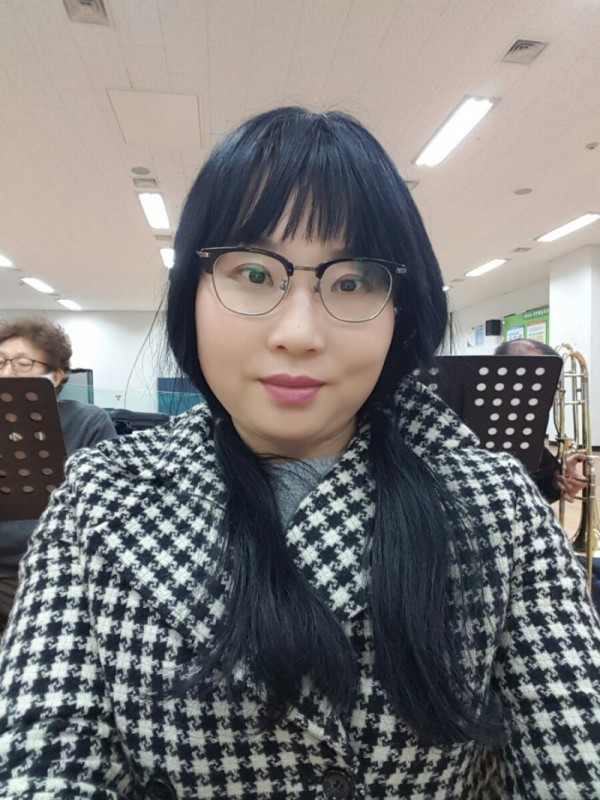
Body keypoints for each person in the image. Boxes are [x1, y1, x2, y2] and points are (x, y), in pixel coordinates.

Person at [0, 108, 598, 799]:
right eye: (254, 272)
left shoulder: (497, 503)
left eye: (353, 280)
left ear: (401, 309)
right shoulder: (99, 497)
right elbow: (44, 765)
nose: (299, 332)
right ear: (192, 291)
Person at [0, 317, 117, 625]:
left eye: (22, 364)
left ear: (55, 376)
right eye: (0, 362)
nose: (7, 373)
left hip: (53, 566)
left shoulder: (89, 422)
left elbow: (104, 510)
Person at [494, 337, 587, 503]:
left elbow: (536, 490)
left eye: (553, 386)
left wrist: (556, 482)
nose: (547, 394)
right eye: (534, 381)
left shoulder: (529, 428)